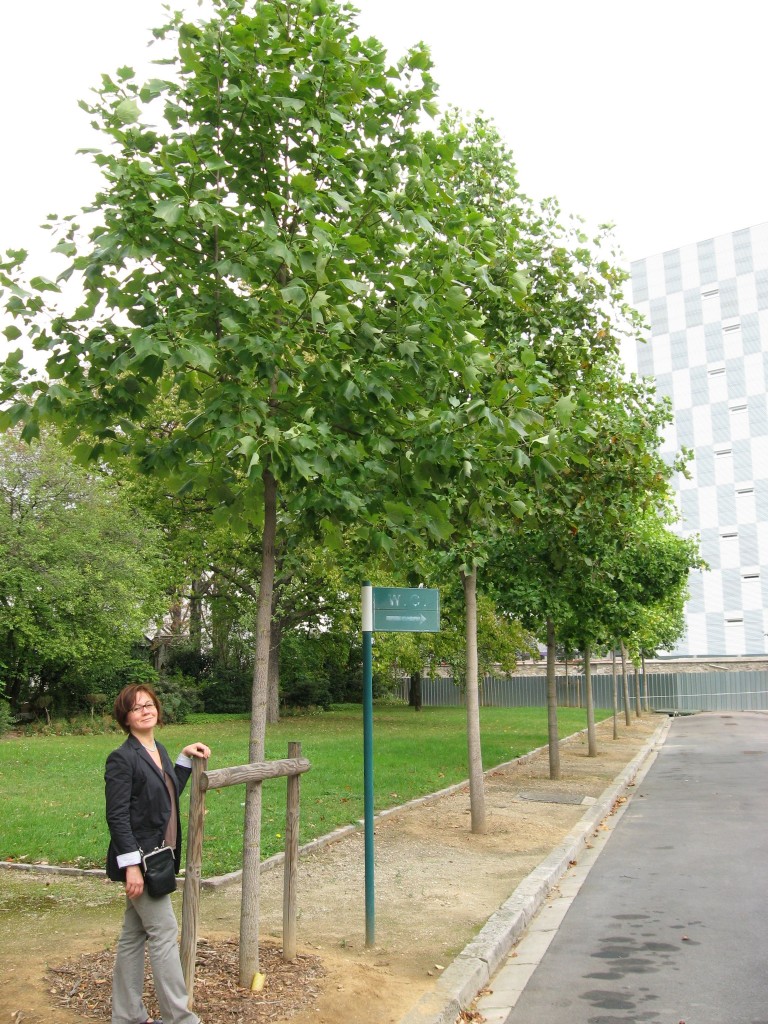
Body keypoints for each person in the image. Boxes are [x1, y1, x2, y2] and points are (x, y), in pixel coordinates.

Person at [105, 682, 211, 1024]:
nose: (146, 710)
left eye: (149, 704)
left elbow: (167, 795)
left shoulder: (158, 749)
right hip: (143, 862)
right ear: (126, 717)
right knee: (164, 934)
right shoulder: (122, 758)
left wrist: (182, 757)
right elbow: (117, 816)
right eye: (137, 707)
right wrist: (131, 867)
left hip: (160, 857)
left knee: (134, 936)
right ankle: (179, 1018)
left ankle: (127, 1016)